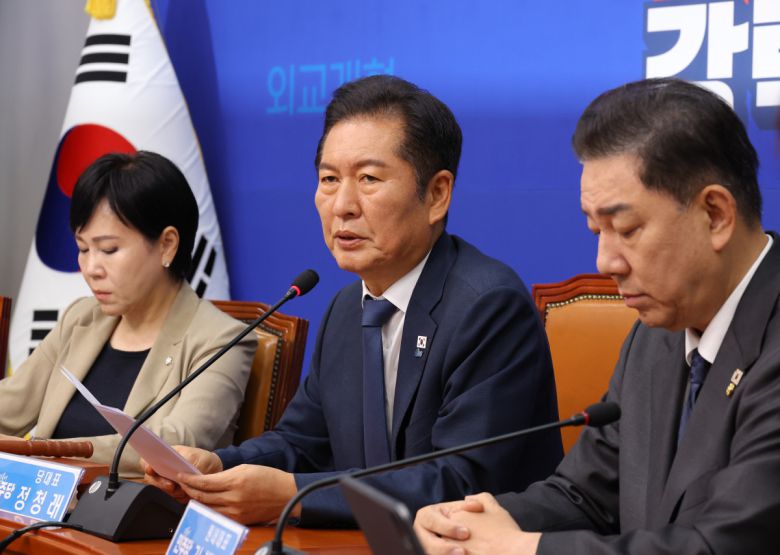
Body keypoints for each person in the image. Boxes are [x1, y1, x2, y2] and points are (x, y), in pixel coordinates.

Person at [144, 75, 562, 526]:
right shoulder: (347, 308)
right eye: (329, 179)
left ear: (437, 194)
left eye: (368, 179)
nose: (342, 205)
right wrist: (217, 466)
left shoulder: (488, 307)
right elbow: (302, 443)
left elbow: (461, 483)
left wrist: (293, 496)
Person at [414, 77, 780, 554]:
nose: (605, 262)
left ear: (715, 214)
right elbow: (584, 496)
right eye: (596, 230)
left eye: (626, 228)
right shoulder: (656, 336)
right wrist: (468, 524)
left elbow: (724, 543)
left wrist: (524, 550)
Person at [0, 151, 254, 476]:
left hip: (136, 507)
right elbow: (12, 404)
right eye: (82, 249)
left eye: (108, 250)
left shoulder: (221, 341)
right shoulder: (82, 318)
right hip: (48, 501)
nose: (91, 268)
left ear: (167, 245)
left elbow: (176, 443)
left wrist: (45, 451)